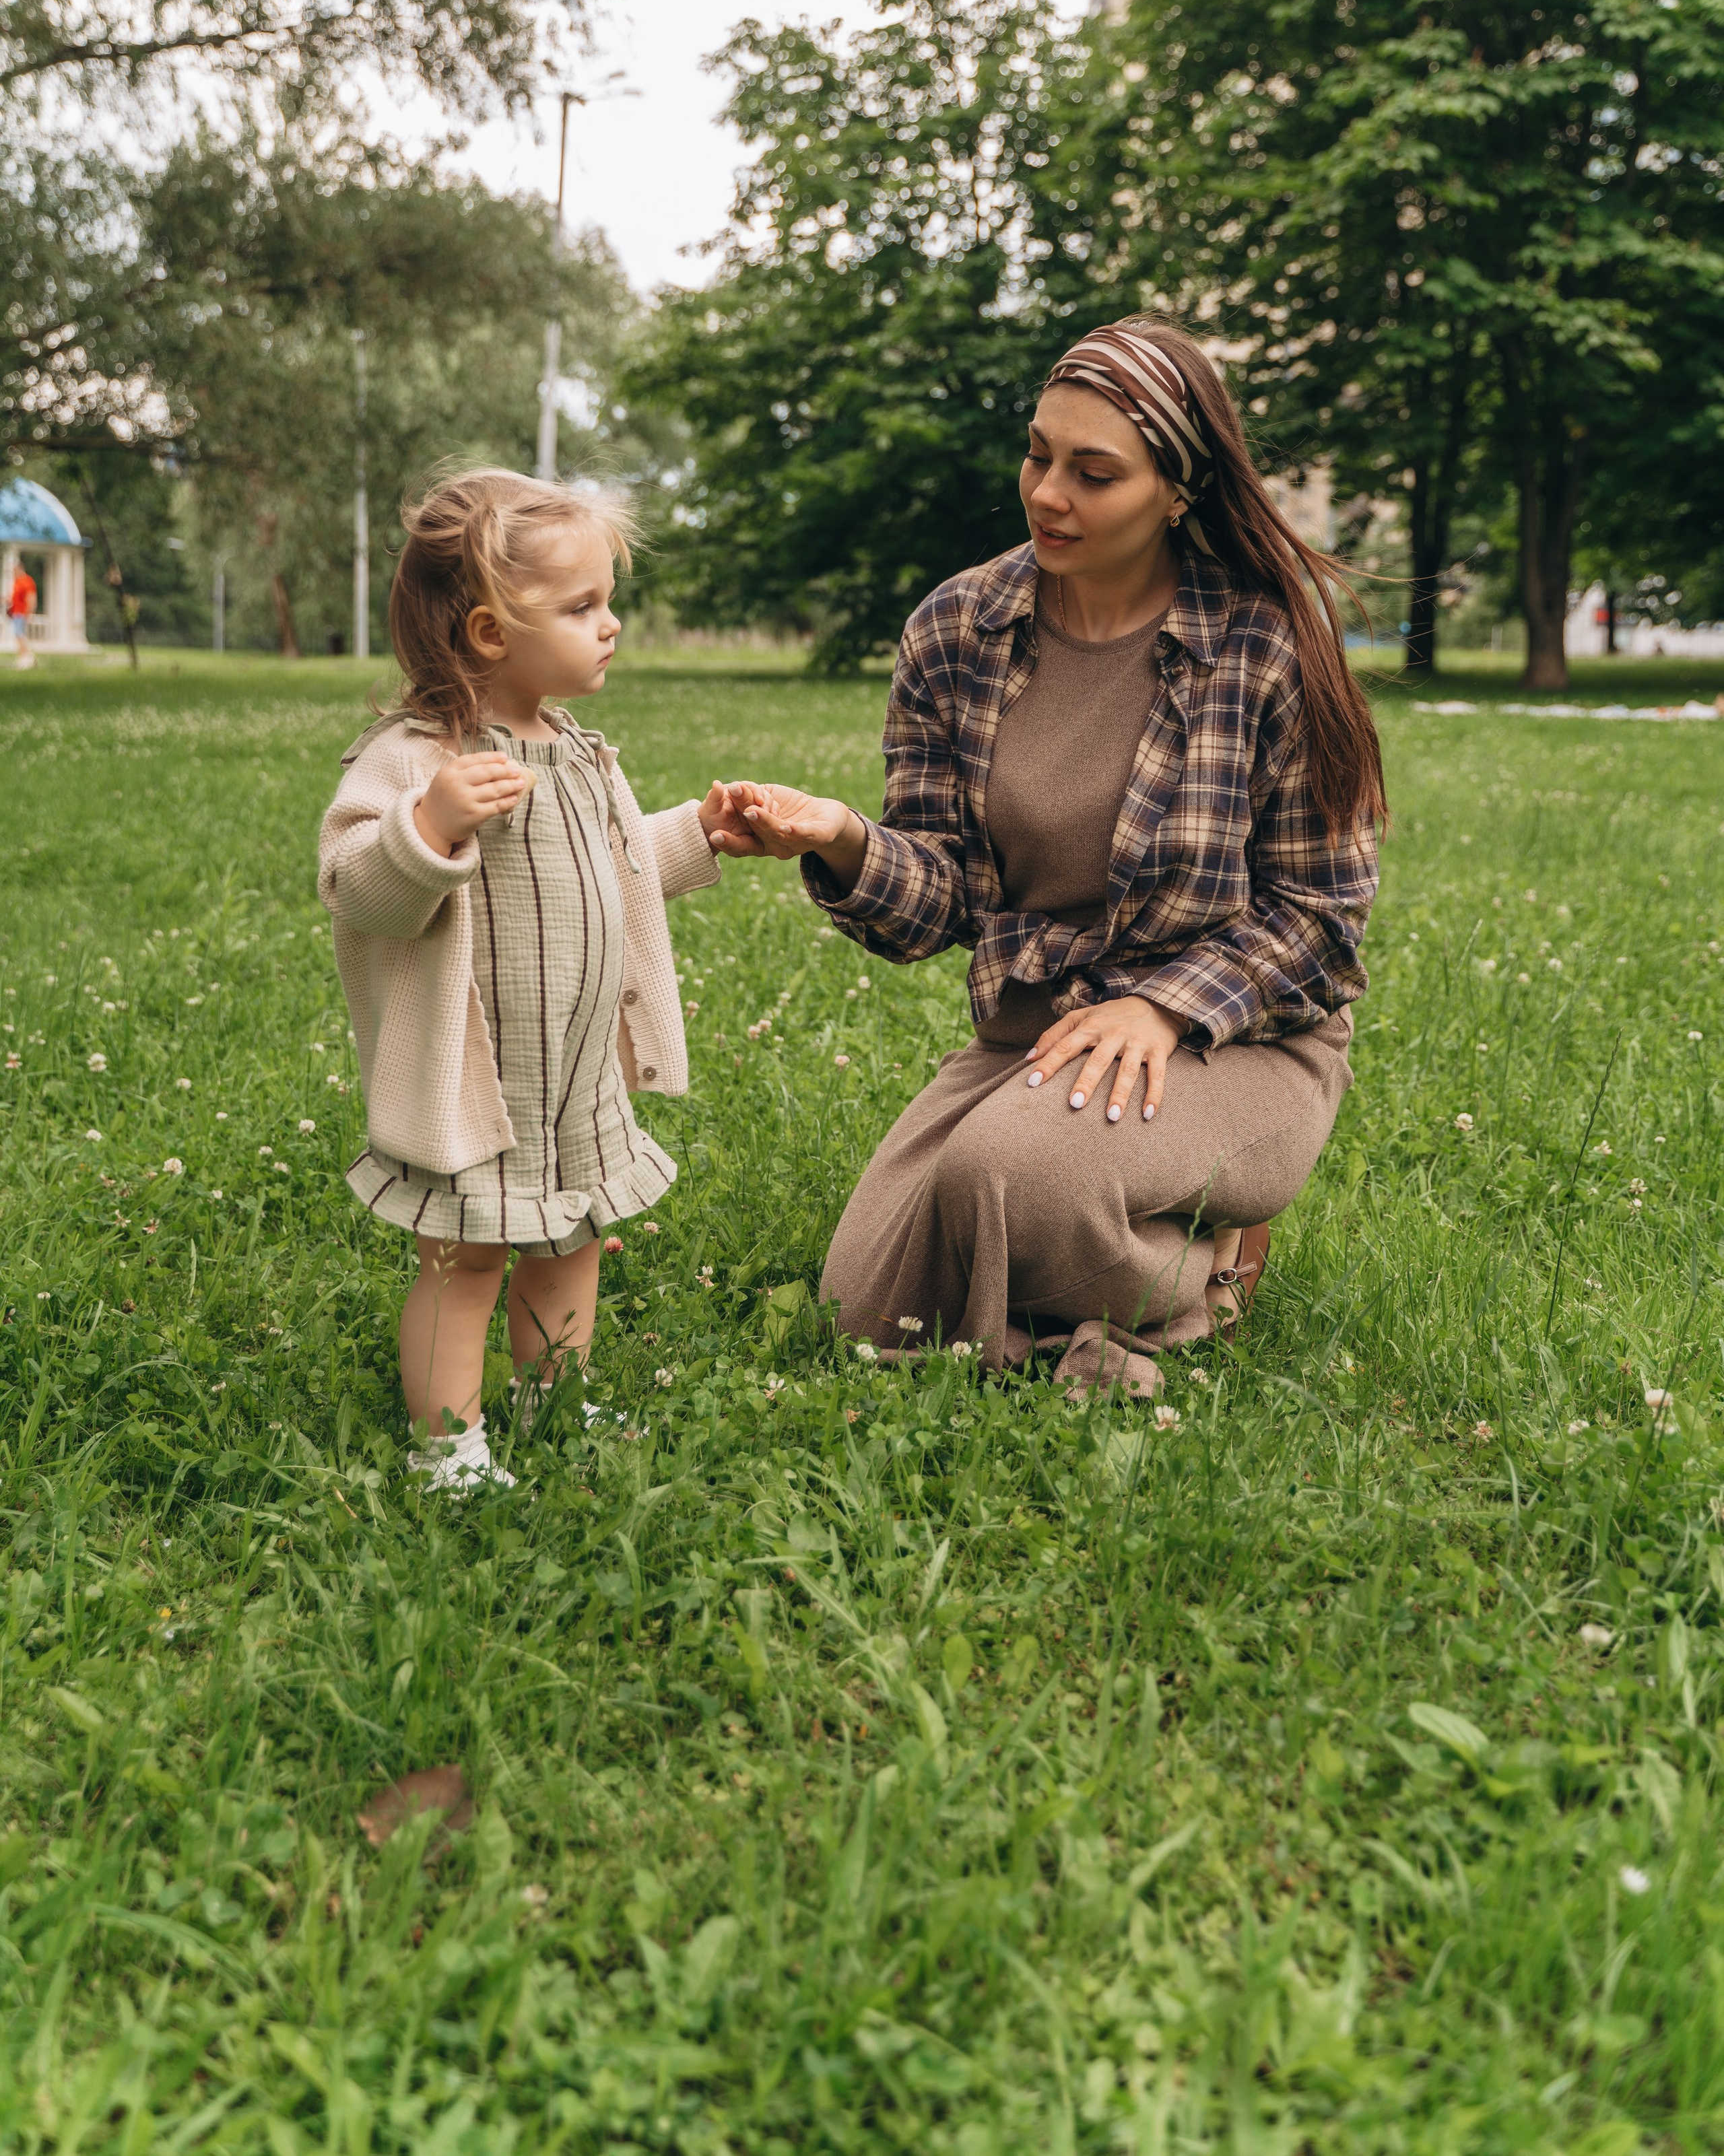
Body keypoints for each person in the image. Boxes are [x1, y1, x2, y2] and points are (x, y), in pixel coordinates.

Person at [715, 319, 1383, 1394]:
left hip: (1242, 1039)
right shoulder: (956, 629)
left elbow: (1321, 918)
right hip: (1045, 1032)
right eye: (1039, 453)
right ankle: (1093, 1246)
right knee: (864, 1303)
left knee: (1005, 1176)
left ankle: (1200, 1265)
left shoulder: (1267, 644)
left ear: (1178, 488)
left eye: (1094, 471)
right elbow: (937, 903)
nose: (1048, 493)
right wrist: (840, 839)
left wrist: (1162, 1007)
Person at [319, 469, 741, 1490]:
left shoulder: (581, 750)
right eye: (582, 606)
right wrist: (430, 826)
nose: (613, 625)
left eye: (608, 601)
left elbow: (614, 865)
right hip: (478, 1083)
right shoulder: (418, 757)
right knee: (465, 1259)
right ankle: (449, 1449)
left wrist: (699, 832)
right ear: (490, 632)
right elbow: (354, 887)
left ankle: (552, 1398)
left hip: (575, 1072)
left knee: (571, 1240)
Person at [8, 562, 38, 669]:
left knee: (19, 634)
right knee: (18, 634)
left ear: (20, 569)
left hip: (22, 613)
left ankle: (26, 657)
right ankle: (24, 656)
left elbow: (31, 597)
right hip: (16, 612)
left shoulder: (27, 581)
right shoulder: (17, 581)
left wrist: (30, 612)